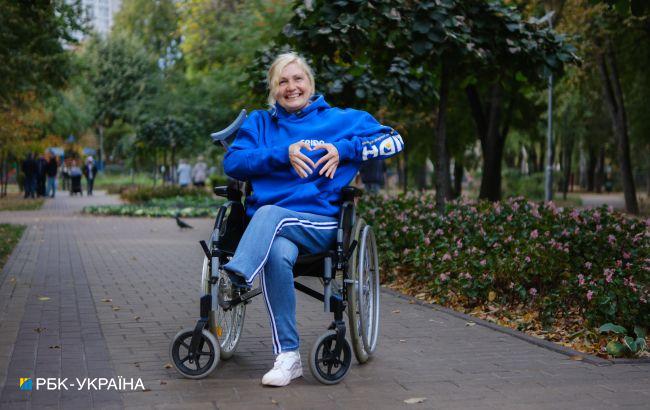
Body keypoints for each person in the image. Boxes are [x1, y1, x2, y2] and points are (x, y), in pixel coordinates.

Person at [222, 52, 404, 387]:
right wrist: (282, 154)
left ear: (310, 83)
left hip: (320, 224)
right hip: (273, 231)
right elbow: (232, 163)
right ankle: (288, 356)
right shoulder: (260, 124)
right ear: (273, 90)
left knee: (268, 213)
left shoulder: (342, 120)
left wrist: (346, 150)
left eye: (298, 79)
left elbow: (395, 140)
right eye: (282, 81)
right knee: (276, 252)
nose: (291, 87)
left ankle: (238, 276)